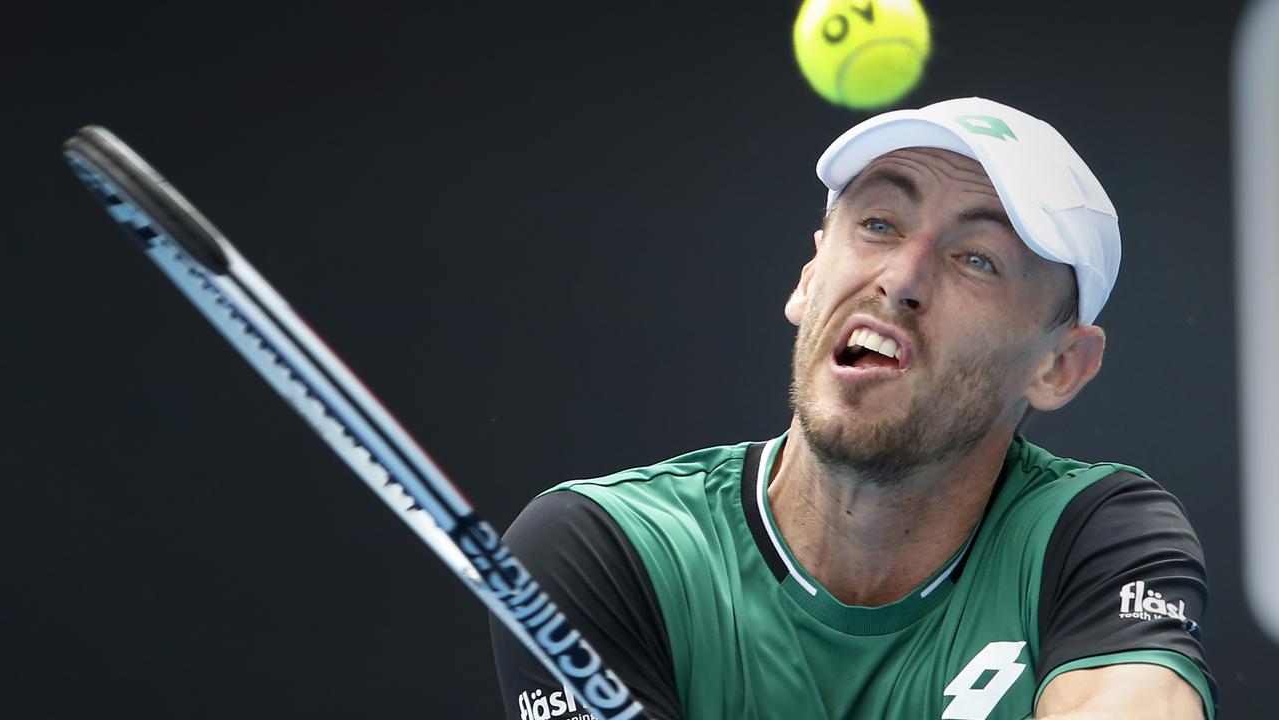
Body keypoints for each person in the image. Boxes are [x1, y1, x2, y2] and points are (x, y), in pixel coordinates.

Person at [489, 97, 1216, 720]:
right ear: (809, 278)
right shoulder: (607, 552)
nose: (900, 278)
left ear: (1059, 366)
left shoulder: (1098, 536)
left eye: (976, 258)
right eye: (878, 224)